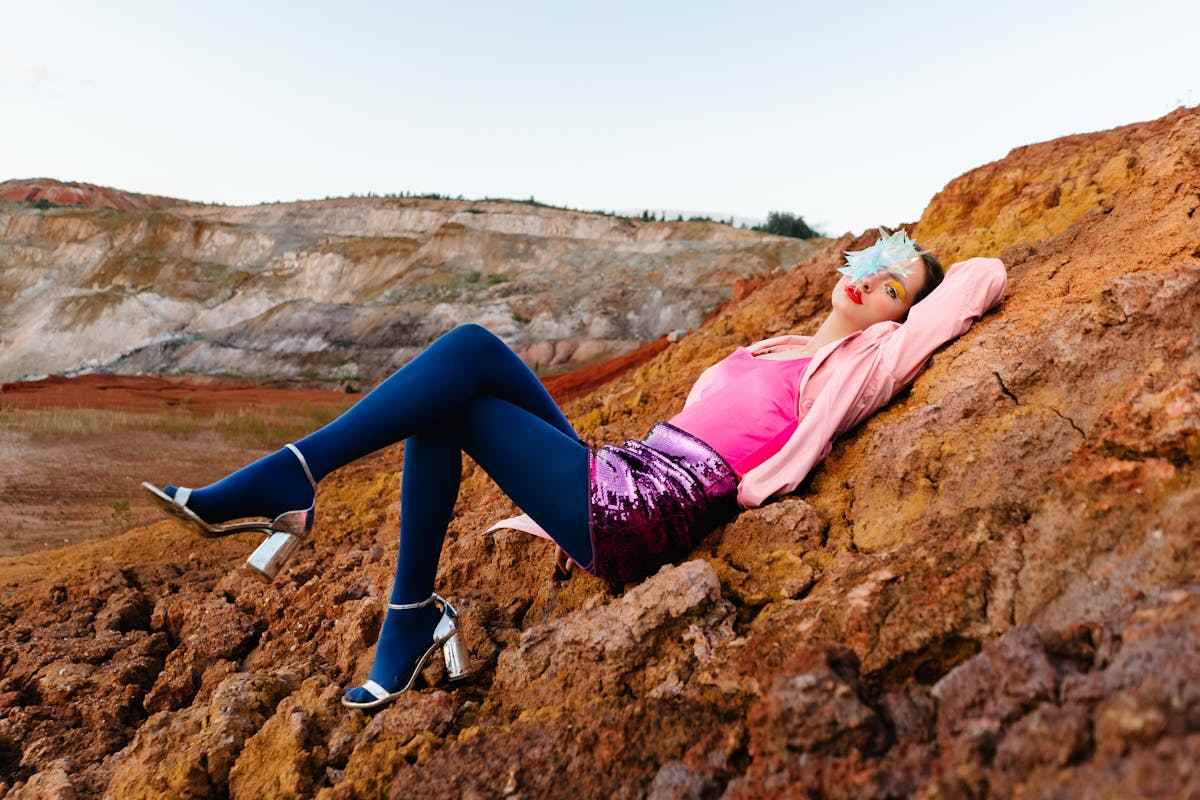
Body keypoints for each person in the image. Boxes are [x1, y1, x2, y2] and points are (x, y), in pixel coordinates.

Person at [142, 227, 1008, 711]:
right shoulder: (767, 347)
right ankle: (400, 609)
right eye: (876, 264)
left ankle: (301, 491)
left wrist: (921, 287)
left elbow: (982, 276)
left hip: (647, 514)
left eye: (894, 286)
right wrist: (894, 265)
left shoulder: (865, 364)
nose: (875, 281)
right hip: (620, 469)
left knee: (458, 384)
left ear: (901, 317)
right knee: (469, 353)